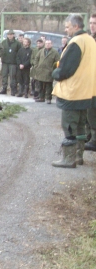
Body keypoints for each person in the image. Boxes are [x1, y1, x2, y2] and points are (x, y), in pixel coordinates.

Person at [51, 13, 96, 168]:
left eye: (67, 26)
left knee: (69, 125)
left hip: (73, 91)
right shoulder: (90, 40)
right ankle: (78, 156)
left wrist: (55, 73)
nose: (66, 29)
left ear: (76, 26)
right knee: (81, 125)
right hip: (87, 91)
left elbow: (65, 69)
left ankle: (68, 159)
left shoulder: (76, 42)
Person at [33, 39, 59, 104]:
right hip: (40, 71)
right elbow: (36, 58)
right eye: (46, 43)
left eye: (49, 43)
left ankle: (48, 98)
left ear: (51, 44)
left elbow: (58, 62)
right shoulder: (41, 51)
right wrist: (36, 66)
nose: (47, 45)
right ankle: (41, 98)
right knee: (40, 86)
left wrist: (54, 70)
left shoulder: (55, 52)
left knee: (48, 86)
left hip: (49, 72)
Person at [85, 13, 96, 151]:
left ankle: (94, 139)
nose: (92, 26)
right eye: (91, 23)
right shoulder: (89, 39)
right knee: (88, 108)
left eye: (95, 23)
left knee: (93, 110)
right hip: (89, 79)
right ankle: (89, 136)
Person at [0, 29, 21, 95]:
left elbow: (19, 53)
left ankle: (13, 90)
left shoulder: (17, 43)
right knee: (4, 76)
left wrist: (18, 62)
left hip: (13, 62)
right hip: (5, 62)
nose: (10, 36)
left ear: (13, 35)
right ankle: (4, 89)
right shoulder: (4, 42)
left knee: (12, 76)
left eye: (11, 35)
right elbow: (1, 50)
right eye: (8, 35)